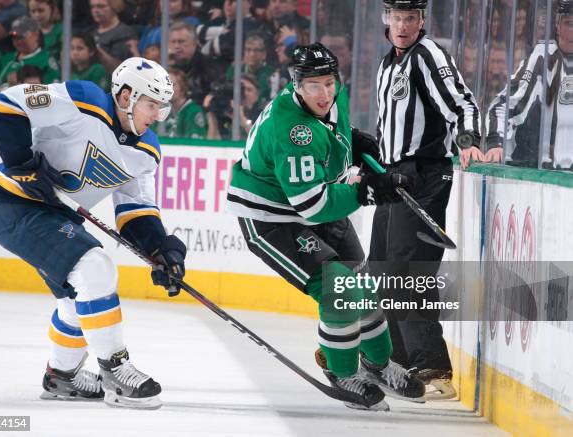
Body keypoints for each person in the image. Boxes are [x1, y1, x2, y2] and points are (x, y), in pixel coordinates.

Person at [0, 57, 187, 410]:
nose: (156, 116)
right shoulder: (83, 100)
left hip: (56, 216)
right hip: (13, 202)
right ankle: (115, 371)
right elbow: (6, 104)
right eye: (152, 105)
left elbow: (136, 211)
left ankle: (62, 375)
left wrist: (161, 251)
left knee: (79, 297)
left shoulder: (146, 152)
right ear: (125, 96)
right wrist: (23, 165)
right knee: (95, 267)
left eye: (162, 108)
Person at [226, 42, 425, 411]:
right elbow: (313, 206)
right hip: (272, 219)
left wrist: (357, 140)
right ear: (296, 85)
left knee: (362, 286)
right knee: (338, 289)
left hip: (321, 201)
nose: (325, 93)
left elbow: (334, 129)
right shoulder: (292, 131)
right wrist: (368, 190)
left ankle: (378, 365)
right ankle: (343, 371)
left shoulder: (331, 96)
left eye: (329, 83)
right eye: (314, 85)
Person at [368, 0, 483, 400]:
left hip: (424, 178)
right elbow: (389, 130)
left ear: (421, 20)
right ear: (387, 19)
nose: (402, 25)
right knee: (381, 269)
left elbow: (463, 104)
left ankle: (431, 365)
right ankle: (395, 362)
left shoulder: (428, 55)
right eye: (396, 18)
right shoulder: (388, 64)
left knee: (407, 270)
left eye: (410, 18)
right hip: (393, 179)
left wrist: (467, 142)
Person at [485, 0, 573, 170]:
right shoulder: (542, 57)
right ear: (557, 24)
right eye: (569, 23)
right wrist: (496, 142)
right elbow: (504, 104)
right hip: (541, 176)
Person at [0, 16, 60, 89]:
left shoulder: (46, 59)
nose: (17, 41)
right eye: (14, 37)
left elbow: (54, 89)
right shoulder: (6, 58)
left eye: (21, 36)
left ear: (36, 34)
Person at [163, 67, 207, 138]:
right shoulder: (163, 110)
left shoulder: (193, 111)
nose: (168, 89)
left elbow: (194, 143)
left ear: (183, 87)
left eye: (173, 85)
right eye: (166, 85)